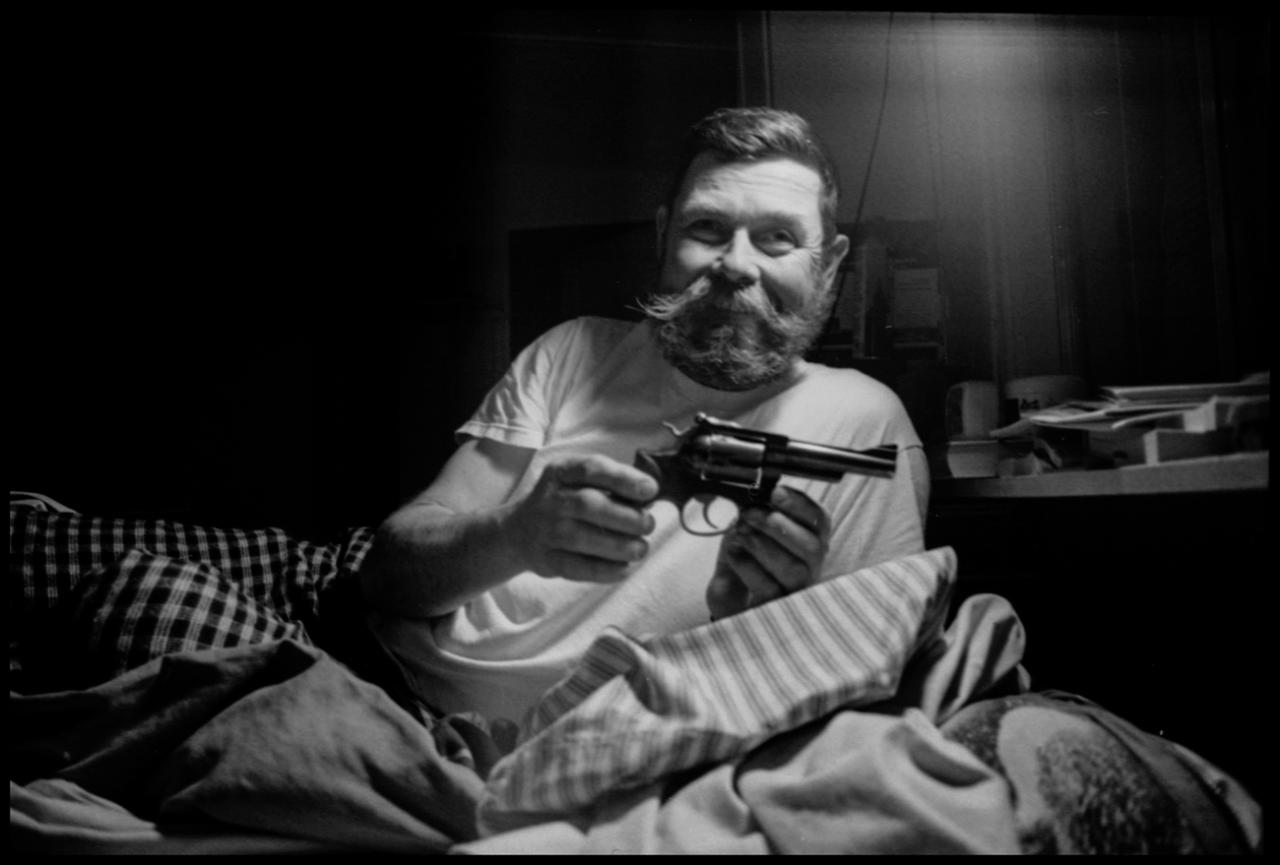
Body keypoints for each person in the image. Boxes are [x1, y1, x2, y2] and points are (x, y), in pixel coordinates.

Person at [359, 107, 930, 727]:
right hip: (393, 685)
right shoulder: (570, 351)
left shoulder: (863, 424)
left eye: (778, 238)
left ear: (830, 261)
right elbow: (388, 574)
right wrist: (515, 535)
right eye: (707, 227)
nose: (737, 265)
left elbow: (867, 683)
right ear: (664, 234)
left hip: (606, 739)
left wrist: (750, 622)